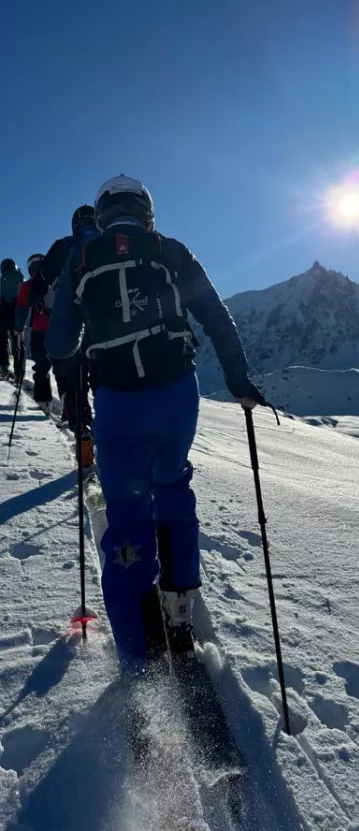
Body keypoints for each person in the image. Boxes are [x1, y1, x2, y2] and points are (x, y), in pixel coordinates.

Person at [46, 174, 264, 671]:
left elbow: (59, 344)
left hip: (118, 403)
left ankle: (135, 649)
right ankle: (179, 606)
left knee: (127, 512)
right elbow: (216, 317)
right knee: (172, 486)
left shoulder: (81, 259)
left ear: (103, 215)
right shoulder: (171, 251)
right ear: (146, 212)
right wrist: (239, 382)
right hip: (176, 398)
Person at [30, 205, 98, 432]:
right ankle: (109, 430)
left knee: (74, 376)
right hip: (107, 321)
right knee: (103, 376)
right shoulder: (109, 239)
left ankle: (81, 428)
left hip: (72, 321)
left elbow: (42, 278)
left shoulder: (66, 245)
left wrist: (36, 296)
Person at [15, 254, 53, 408]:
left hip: (39, 330)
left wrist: (18, 327)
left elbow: (21, 309)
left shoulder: (27, 286)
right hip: (58, 327)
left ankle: (44, 400)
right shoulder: (55, 282)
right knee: (62, 365)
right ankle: (68, 403)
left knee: (41, 364)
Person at [0, 259, 24, 379]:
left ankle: (3, 366)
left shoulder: (2, 280)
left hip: (3, 311)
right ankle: (19, 370)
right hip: (17, 311)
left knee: (1, 339)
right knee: (17, 341)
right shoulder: (20, 278)